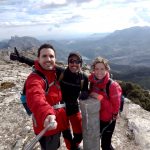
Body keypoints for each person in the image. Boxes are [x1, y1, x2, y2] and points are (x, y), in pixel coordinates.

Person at [10, 48, 89, 150]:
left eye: (77, 61)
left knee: (79, 133)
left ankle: (75, 146)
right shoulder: (62, 72)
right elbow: (41, 64)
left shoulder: (84, 78)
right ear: (68, 63)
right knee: (66, 133)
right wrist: (22, 59)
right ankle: (71, 148)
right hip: (62, 110)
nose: (74, 64)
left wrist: (85, 94)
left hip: (74, 109)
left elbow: (85, 91)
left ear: (81, 63)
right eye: (71, 61)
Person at [24, 43, 69, 150]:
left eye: (51, 56)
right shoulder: (35, 79)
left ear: (55, 58)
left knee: (56, 145)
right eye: (44, 56)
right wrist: (46, 114)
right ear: (38, 59)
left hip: (59, 120)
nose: (48, 59)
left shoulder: (54, 73)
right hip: (47, 124)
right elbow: (36, 96)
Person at [89, 56, 122, 150]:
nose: (99, 72)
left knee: (105, 144)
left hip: (108, 120)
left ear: (107, 70)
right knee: (95, 140)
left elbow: (114, 109)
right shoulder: (92, 81)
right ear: (93, 70)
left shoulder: (113, 86)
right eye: (97, 69)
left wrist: (99, 97)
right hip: (97, 117)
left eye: (102, 69)